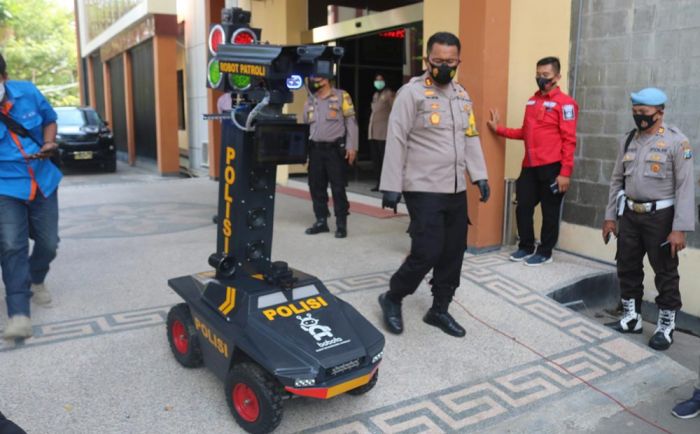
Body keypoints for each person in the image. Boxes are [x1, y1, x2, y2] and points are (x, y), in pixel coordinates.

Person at [378, 32, 490, 338]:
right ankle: (393, 296)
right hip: (423, 187)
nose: (444, 66)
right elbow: (397, 139)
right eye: (438, 61)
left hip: (455, 189)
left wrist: (479, 175)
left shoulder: (462, 95)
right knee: (427, 250)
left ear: (458, 61)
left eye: (450, 61)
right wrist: (391, 185)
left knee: (454, 250)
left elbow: (470, 137)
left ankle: (439, 309)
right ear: (427, 60)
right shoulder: (411, 93)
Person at [602, 87, 695, 351]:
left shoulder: (678, 142)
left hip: (662, 217)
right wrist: (610, 217)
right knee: (627, 265)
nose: (639, 117)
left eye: (644, 113)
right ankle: (631, 317)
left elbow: (685, 187)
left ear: (660, 112)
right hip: (630, 214)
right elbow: (616, 180)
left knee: (665, 271)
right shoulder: (628, 140)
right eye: (635, 112)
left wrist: (680, 229)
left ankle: (666, 326)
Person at [487, 57, 578, 266]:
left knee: (549, 211)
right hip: (529, 165)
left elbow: (569, 140)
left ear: (557, 77)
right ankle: (525, 246)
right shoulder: (532, 101)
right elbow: (524, 132)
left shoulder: (566, 104)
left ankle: (545, 252)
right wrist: (499, 129)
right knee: (523, 206)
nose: (540, 78)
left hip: (552, 166)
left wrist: (565, 172)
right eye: (538, 74)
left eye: (545, 75)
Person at [0, 53, 61, 340]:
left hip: (42, 179)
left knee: (49, 242)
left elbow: (49, 119)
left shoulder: (27, 91)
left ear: (4, 77)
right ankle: (19, 314)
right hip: (5, 186)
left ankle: (36, 279)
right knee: (12, 245)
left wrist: (49, 142)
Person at [302, 75, 358, 238]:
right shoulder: (310, 100)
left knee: (338, 188)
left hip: (335, 150)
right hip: (315, 150)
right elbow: (305, 127)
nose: (313, 81)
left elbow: (351, 122)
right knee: (316, 186)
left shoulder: (342, 96)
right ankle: (321, 221)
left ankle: (341, 223)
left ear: (326, 79)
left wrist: (351, 146)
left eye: (317, 78)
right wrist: (303, 153)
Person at [368, 73, 395, 191]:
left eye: (381, 80)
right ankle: (378, 182)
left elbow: (395, 111)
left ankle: (386, 184)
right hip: (373, 132)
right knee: (376, 161)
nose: (378, 82)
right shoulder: (375, 95)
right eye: (376, 80)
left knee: (385, 161)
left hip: (384, 134)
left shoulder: (389, 94)